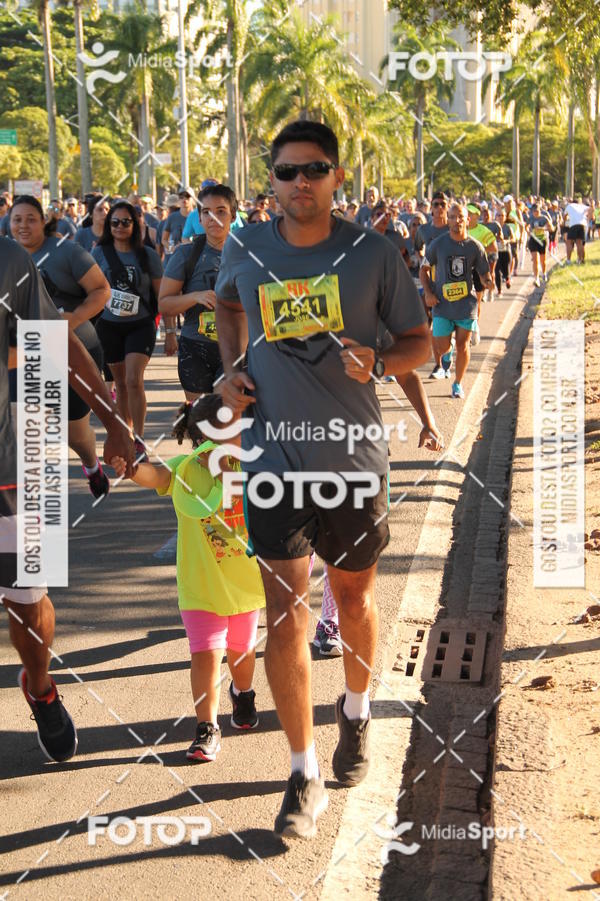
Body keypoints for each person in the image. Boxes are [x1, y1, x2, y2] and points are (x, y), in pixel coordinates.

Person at [215, 119, 430, 838]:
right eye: (285, 172)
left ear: (337, 176)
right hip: (272, 455)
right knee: (285, 610)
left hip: (352, 457)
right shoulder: (245, 244)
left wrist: (381, 361)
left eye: (313, 170)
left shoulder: (373, 252)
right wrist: (229, 368)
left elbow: (419, 343)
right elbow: (225, 303)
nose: (299, 183)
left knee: (353, 592)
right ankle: (303, 770)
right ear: (270, 180)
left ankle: (357, 711)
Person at [2, 237, 134, 764]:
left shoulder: (8, 259)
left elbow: (49, 342)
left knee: (29, 603)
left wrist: (113, 419)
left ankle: (40, 686)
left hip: (13, 457)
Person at [111, 395, 265, 760]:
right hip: (200, 586)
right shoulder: (186, 469)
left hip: (243, 585)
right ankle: (206, 728)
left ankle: (243, 695)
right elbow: (155, 476)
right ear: (205, 438)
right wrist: (132, 469)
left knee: (241, 651)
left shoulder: (256, 468)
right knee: (206, 653)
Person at [10, 195, 112, 497]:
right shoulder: (6, 257)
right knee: (22, 422)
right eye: (17, 219)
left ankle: (91, 464)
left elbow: (101, 290)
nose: (24, 225)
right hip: (24, 355)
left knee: (76, 433)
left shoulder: (66, 252)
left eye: (31, 218)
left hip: (75, 349)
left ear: (44, 221)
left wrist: (73, 318)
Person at [93, 200, 167, 458]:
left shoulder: (147, 255)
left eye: (126, 222)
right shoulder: (99, 253)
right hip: (109, 326)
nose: (120, 226)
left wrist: (170, 333)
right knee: (121, 384)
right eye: (115, 222)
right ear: (108, 226)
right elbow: (91, 289)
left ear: (135, 224)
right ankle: (125, 433)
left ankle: (139, 439)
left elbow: (162, 296)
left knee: (135, 380)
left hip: (141, 324)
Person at [159, 184, 236, 401]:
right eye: (206, 212)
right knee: (202, 427)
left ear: (233, 215)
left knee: (226, 418)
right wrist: (195, 297)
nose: (213, 218)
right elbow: (164, 304)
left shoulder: (247, 254)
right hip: (195, 348)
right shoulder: (186, 254)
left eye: (221, 211)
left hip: (236, 350)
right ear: (200, 219)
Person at [420, 202, 493, 400]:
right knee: (442, 346)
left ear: (467, 220)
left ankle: (458, 384)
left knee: (464, 345)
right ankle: (446, 354)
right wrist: (428, 293)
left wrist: (487, 281)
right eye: (452, 217)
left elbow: (484, 272)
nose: (456, 221)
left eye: (460, 217)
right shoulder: (438, 245)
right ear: (448, 220)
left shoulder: (475, 247)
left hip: (465, 304)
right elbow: (423, 270)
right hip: (441, 304)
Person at [162, 187, 195, 256]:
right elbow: (164, 240)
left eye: (188, 197)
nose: (184, 200)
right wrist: (173, 248)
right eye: (181, 197)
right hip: (177, 257)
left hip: (194, 256)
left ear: (193, 199)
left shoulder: (199, 216)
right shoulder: (172, 217)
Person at [526, 201, 552, 286]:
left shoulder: (544, 218)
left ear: (539, 210)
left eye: (537, 211)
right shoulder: (531, 218)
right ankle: (536, 278)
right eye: (534, 211)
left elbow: (551, 228)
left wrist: (543, 229)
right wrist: (529, 232)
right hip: (533, 240)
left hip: (542, 240)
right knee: (535, 260)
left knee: (542, 260)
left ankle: (544, 273)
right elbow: (526, 226)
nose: (535, 213)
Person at [494, 209, 513, 296]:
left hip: (506, 251)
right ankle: (499, 290)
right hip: (496, 251)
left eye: (502, 215)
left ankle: (508, 278)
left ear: (505, 217)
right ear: (495, 217)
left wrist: (506, 241)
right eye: (499, 215)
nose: (500, 217)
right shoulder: (493, 227)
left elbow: (514, 238)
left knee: (506, 270)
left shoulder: (507, 227)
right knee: (497, 271)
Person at [564, 197, 589, 264]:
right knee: (579, 243)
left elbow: (565, 216)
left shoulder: (569, 206)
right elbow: (591, 209)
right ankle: (579, 260)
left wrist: (566, 220)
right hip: (582, 225)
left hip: (573, 224)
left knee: (569, 242)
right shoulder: (582, 206)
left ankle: (568, 260)